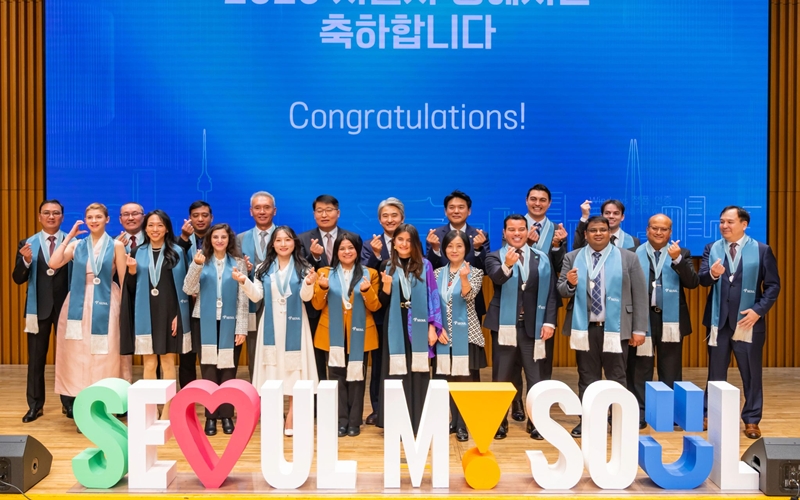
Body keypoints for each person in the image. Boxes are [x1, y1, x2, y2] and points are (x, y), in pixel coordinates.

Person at [557, 215, 648, 438]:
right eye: (593, 230)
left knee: (617, 377)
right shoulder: (572, 257)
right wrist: (570, 283)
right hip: (585, 328)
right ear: (586, 234)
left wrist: (639, 329)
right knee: (587, 377)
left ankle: (618, 421)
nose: (598, 234)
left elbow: (639, 295)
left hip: (617, 328)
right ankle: (588, 421)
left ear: (609, 233)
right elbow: (562, 291)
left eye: (602, 230)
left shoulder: (628, 258)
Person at [700, 206, 780, 439]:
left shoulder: (762, 250)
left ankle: (752, 419)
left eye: (730, 222)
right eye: (721, 221)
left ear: (744, 224)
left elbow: (773, 286)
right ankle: (710, 413)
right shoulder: (711, 248)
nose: (724, 226)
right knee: (715, 372)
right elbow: (703, 280)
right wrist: (713, 274)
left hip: (748, 322)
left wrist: (758, 311)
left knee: (751, 373)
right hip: (719, 322)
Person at [48, 203, 131, 426]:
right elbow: (53, 263)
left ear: (107, 220)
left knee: (107, 354)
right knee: (78, 355)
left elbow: (124, 280)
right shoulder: (77, 245)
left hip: (107, 300)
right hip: (78, 302)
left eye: (98, 217)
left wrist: (126, 312)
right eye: (90, 217)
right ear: (85, 220)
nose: (94, 221)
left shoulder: (116, 246)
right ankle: (83, 408)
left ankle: (107, 405)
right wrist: (69, 237)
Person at [238, 226, 319, 436]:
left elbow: (306, 297)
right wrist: (244, 281)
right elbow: (257, 296)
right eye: (279, 240)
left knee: (295, 369)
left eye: (287, 239)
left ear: (294, 243)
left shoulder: (304, 267)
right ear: (272, 244)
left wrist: (309, 284)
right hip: (271, 324)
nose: (283, 244)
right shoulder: (262, 268)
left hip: (296, 323)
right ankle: (274, 414)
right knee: (272, 368)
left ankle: (292, 414)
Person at [484, 215, 558, 440]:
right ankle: (499, 422)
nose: (516, 233)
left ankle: (536, 422)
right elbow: (497, 278)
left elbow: (551, 292)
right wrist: (507, 264)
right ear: (504, 233)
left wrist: (549, 321)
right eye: (511, 229)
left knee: (536, 377)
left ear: (527, 232)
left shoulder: (541, 257)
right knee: (501, 376)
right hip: (504, 325)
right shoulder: (494, 256)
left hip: (533, 326)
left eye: (521, 229)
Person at [627, 214, 699, 428]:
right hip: (642, 318)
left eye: (664, 229)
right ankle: (639, 413)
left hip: (671, 321)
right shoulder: (632, 254)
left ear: (670, 232)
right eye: (654, 228)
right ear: (647, 230)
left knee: (671, 369)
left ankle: (669, 413)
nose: (659, 232)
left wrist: (677, 260)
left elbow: (692, 283)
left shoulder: (682, 253)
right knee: (639, 368)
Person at [120, 210, 192, 419]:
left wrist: (179, 314)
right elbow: (130, 289)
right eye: (151, 225)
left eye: (159, 225)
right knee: (150, 363)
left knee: (168, 362)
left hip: (169, 314)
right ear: (145, 228)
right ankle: (150, 409)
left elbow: (184, 287)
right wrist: (131, 272)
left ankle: (168, 410)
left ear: (167, 228)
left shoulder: (177, 251)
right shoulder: (137, 252)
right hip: (146, 313)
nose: (155, 229)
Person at [508, 184, 568, 422]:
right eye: (533, 199)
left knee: (541, 361)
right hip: (516, 303)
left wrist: (557, 246)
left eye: (543, 200)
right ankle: (516, 403)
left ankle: (539, 405)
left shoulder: (557, 230)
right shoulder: (515, 225)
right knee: (513, 361)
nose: (537, 203)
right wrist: (527, 244)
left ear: (549, 203)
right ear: (526, 201)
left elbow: (560, 267)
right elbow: (507, 259)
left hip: (543, 303)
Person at [376, 224, 444, 434]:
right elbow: (381, 303)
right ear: (394, 243)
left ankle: (419, 421)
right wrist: (386, 287)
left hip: (419, 322)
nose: (404, 244)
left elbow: (433, 296)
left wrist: (432, 327)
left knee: (418, 371)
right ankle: (394, 424)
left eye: (409, 240)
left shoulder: (425, 265)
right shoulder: (387, 265)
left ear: (415, 244)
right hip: (395, 322)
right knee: (395, 372)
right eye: (400, 240)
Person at [312, 233, 381, 437]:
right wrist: (322, 288)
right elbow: (316, 304)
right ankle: (341, 420)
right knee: (336, 378)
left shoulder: (370, 274)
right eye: (342, 248)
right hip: (332, 333)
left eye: (350, 248)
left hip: (360, 333)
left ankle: (354, 422)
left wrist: (367, 291)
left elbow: (375, 306)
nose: (346, 252)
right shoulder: (324, 273)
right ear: (336, 252)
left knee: (357, 378)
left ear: (357, 251)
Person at [182, 223, 248, 436]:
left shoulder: (238, 263)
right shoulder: (201, 260)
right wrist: (196, 266)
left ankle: (227, 415)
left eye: (223, 237)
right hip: (204, 321)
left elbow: (243, 298)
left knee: (229, 370)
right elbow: (188, 289)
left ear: (229, 240)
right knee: (208, 370)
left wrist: (242, 328)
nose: (219, 240)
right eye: (215, 237)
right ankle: (211, 416)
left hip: (231, 321)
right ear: (209, 240)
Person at [13, 200, 70, 423]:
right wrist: (26, 261)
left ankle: (69, 403)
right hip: (38, 309)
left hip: (66, 308)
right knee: (36, 360)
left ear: (62, 217)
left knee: (68, 359)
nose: (51, 216)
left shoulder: (72, 242)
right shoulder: (27, 243)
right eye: (46, 213)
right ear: (39, 217)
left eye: (56, 213)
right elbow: (18, 278)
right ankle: (35, 406)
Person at [299, 194, 363, 382]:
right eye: (319, 211)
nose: (324, 215)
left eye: (329, 210)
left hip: (345, 308)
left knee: (344, 354)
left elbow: (359, 270)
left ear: (338, 212)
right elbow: (300, 270)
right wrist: (314, 258)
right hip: (315, 307)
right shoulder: (302, 239)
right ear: (314, 214)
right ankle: (320, 394)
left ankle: (344, 392)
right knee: (317, 356)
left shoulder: (353, 238)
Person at [433, 230, 486, 442]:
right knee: (448, 380)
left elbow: (469, 296)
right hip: (443, 335)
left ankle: (464, 424)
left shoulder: (476, 272)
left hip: (467, 334)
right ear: (444, 249)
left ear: (466, 249)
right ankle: (453, 421)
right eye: (450, 246)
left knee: (465, 381)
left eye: (459, 246)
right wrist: (437, 329)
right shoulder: (436, 273)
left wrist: (464, 278)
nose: (454, 250)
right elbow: (433, 305)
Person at [360, 197, 404, 425]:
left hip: (404, 312)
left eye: (394, 215)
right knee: (378, 364)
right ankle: (378, 408)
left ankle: (403, 405)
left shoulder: (409, 240)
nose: (390, 219)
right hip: (378, 312)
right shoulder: (370, 245)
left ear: (402, 218)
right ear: (379, 220)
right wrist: (377, 256)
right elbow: (363, 275)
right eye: (385, 216)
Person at [425, 190, 490, 322]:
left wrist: (478, 249)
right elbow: (429, 269)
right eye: (452, 207)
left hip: (471, 303)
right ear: (445, 211)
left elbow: (485, 269)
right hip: (442, 301)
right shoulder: (435, 235)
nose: (456, 211)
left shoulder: (480, 235)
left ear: (469, 211)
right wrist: (435, 249)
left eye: (461, 207)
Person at [237, 191, 278, 382]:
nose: (262, 211)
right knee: (254, 349)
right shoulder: (239, 239)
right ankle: (257, 391)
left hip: (278, 302)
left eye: (266, 207)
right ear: (251, 211)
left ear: (274, 211)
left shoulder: (285, 237)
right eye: (257, 208)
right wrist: (244, 271)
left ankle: (278, 390)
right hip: (250, 304)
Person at [176, 200, 214, 389]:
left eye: (204, 215)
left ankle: (213, 393)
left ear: (211, 218)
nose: (200, 219)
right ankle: (188, 396)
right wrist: (184, 238)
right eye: (195, 216)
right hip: (185, 302)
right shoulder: (179, 241)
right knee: (186, 353)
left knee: (210, 352)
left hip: (211, 302)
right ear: (189, 218)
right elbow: (174, 261)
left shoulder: (219, 239)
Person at [573, 200, 640, 250]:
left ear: (622, 217)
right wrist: (585, 216)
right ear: (601, 216)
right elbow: (577, 248)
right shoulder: (592, 237)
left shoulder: (633, 241)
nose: (611, 216)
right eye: (607, 213)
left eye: (616, 213)